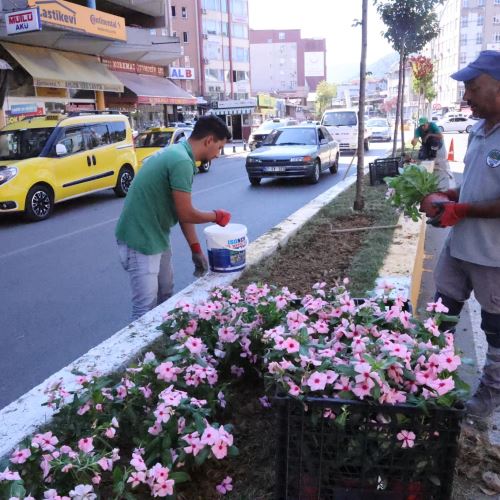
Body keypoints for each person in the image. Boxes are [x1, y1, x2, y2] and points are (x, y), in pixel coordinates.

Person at [420, 50, 500, 420]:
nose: (466, 95)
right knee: (441, 314)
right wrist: (449, 197)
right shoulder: (478, 130)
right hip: (460, 246)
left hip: (493, 255)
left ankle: (488, 398)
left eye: (473, 85)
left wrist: (462, 209)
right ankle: (429, 379)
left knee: (496, 331)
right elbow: (472, 186)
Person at [115, 115, 232, 321]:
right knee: (145, 309)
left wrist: (195, 249)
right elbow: (187, 213)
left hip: (157, 234)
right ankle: (143, 354)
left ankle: (161, 348)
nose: (218, 154)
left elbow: (182, 211)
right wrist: (216, 216)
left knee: (166, 297)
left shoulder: (181, 155)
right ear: (209, 141)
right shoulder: (181, 161)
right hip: (139, 238)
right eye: (219, 147)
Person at [411, 117, 453, 189]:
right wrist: (414, 141)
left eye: (424, 125)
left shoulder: (433, 125)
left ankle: (433, 157)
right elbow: (415, 141)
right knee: (422, 157)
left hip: (437, 143)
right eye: (421, 126)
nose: (423, 127)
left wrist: (429, 135)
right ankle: (428, 163)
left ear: (428, 123)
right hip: (426, 144)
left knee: (433, 143)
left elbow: (441, 136)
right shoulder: (418, 130)